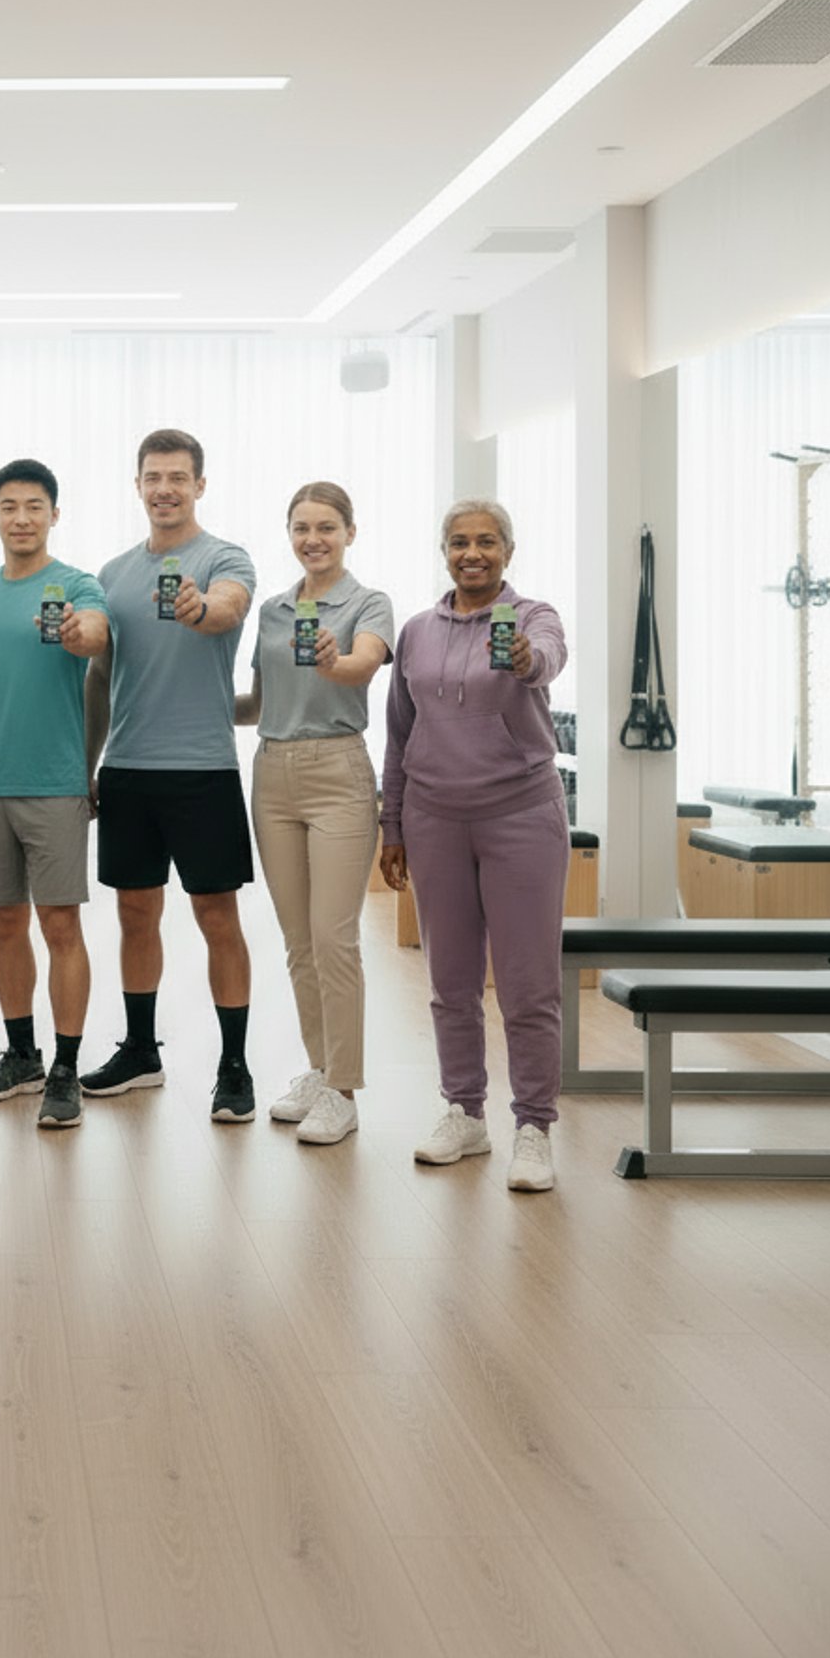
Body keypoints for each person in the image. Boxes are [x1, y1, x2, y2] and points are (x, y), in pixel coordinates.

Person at [379, 497, 569, 1192]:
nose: (473, 553)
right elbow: (400, 734)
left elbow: (546, 658)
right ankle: (464, 1111)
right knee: (450, 982)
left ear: (508, 551)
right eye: (460, 542)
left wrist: (524, 658)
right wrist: (391, 823)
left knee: (527, 985)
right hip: (434, 818)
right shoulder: (416, 631)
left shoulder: (534, 616)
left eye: (487, 541)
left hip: (521, 815)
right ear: (444, 551)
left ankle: (535, 1127)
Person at [84, 429, 258, 1120]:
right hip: (127, 768)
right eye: (153, 477)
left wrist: (201, 608)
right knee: (134, 914)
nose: (165, 489)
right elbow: (100, 678)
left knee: (218, 916)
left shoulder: (224, 558)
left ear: (199, 485)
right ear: (137, 485)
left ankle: (235, 1065)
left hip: (203, 769)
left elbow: (230, 608)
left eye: (178, 478)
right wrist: (87, 761)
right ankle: (139, 1050)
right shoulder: (113, 574)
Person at [0, 459, 110, 1129]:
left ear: (53, 514)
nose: (21, 517)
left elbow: (98, 635)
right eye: (9, 506)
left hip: (55, 783)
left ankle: (66, 1068)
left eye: (34, 506)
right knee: (5, 923)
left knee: (61, 925)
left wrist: (83, 631)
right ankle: (22, 1054)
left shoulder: (77, 585)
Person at [235, 482, 394, 1147]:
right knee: (298, 940)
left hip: (338, 773)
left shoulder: (369, 602)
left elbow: (362, 666)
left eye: (326, 527)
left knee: (334, 938)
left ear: (350, 532)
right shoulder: (272, 610)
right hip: (272, 772)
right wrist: (181, 697)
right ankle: (318, 1068)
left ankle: (344, 1090)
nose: (313, 539)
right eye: (301, 528)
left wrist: (335, 659)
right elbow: (258, 704)